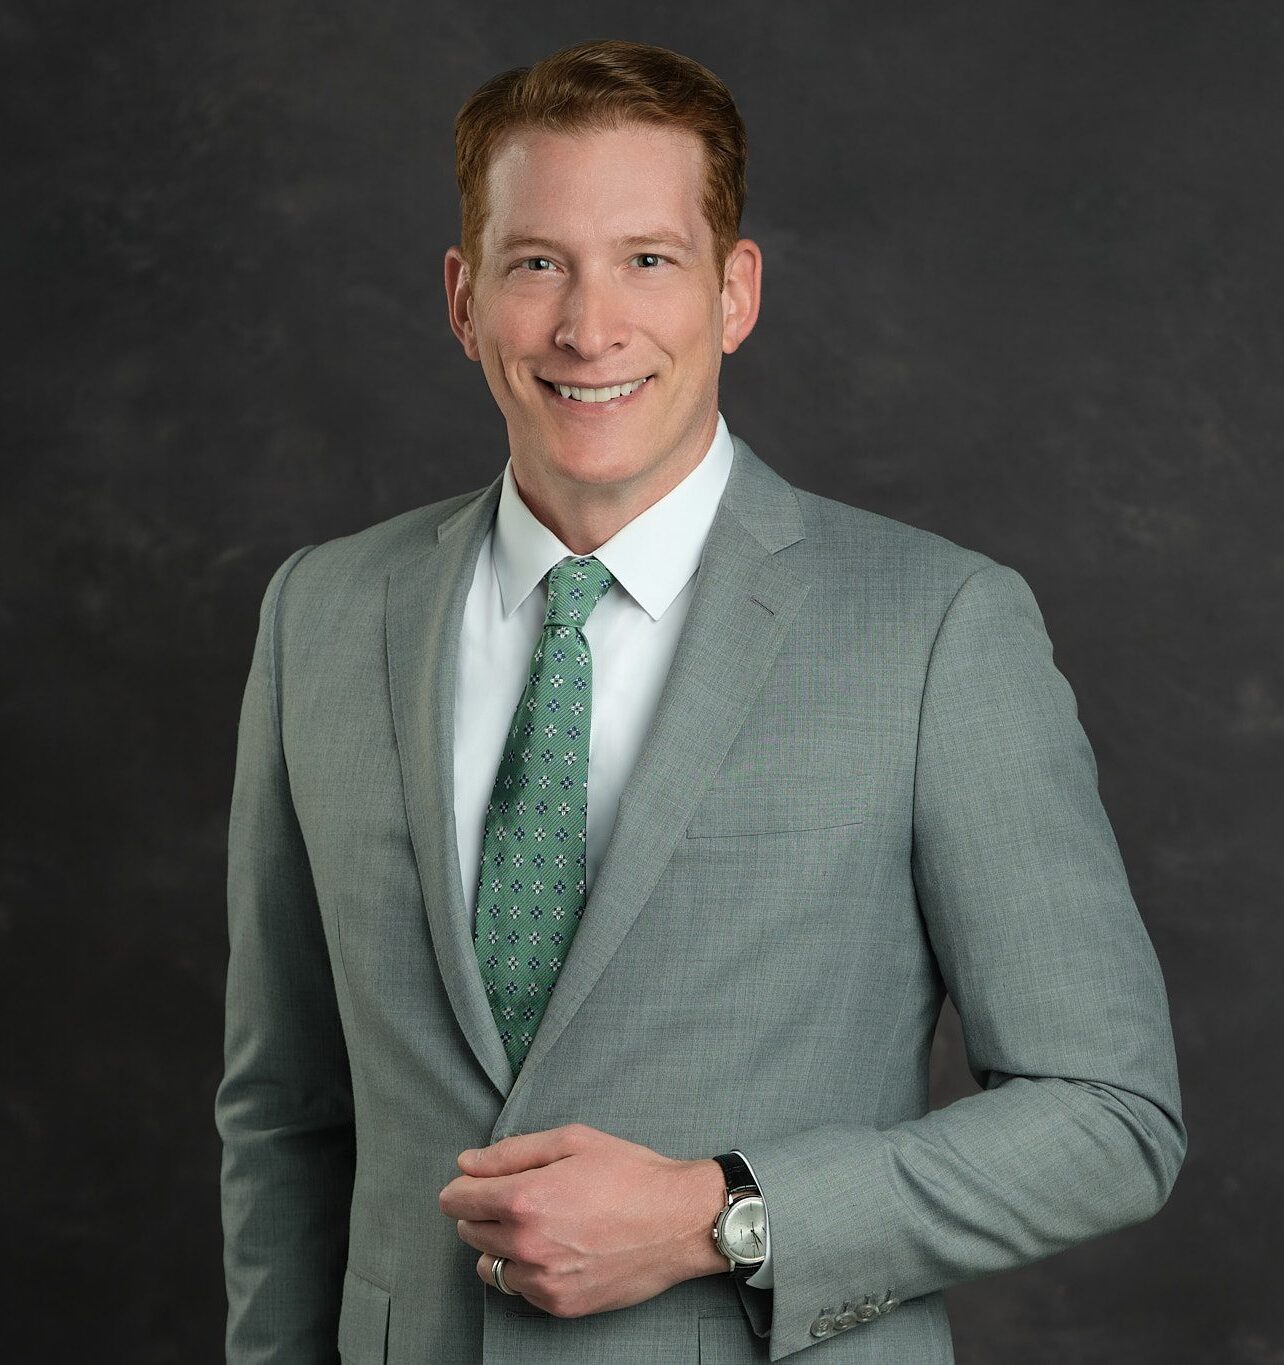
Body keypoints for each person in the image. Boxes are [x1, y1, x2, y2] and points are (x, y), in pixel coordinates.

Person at [215, 38, 1187, 1365]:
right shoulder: (321, 614)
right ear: (462, 297)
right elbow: (284, 1105)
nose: (587, 325)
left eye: (647, 259)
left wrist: (714, 1215)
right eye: (537, 260)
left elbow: (1107, 1116)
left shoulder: (932, 628)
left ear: (735, 292)